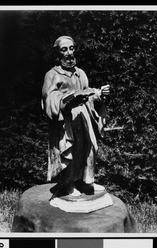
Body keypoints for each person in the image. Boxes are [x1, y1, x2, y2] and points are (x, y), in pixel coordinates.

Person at [41, 36, 110, 197]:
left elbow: (88, 93)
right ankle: (69, 184)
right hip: (65, 121)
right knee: (70, 151)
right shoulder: (52, 75)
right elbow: (48, 98)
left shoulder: (80, 73)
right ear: (57, 54)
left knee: (87, 148)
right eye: (64, 50)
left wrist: (99, 94)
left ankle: (86, 181)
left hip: (84, 117)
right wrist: (66, 100)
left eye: (71, 48)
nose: (69, 53)